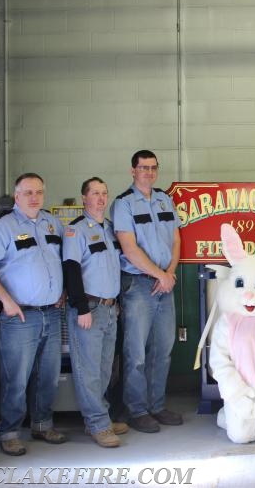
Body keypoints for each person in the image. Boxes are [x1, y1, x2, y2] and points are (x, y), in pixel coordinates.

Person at [0, 173, 66, 456]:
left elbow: (64, 260)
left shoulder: (52, 223)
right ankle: (10, 431)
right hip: (19, 318)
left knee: (48, 376)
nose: (34, 197)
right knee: (16, 378)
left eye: (39, 191)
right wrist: (5, 300)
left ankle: (41, 423)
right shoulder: (1, 228)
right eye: (27, 193)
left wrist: (62, 291)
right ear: (16, 196)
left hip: (51, 313)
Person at [111, 150, 182, 433]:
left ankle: (157, 406)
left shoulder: (165, 199)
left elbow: (176, 240)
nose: (149, 173)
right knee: (136, 353)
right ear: (133, 171)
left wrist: (169, 274)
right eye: (143, 168)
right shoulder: (123, 204)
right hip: (139, 285)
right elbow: (129, 248)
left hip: (166, 283)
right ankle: (136, 410)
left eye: (153, 168)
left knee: (163, 350)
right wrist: (159, 274)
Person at [62, 177, 128, 447]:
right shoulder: (76, 231)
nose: (101, 198)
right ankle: (99, 424)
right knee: (88, 369)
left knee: (103, 369)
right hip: (88, 308)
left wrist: (117, 302)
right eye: (95, 194)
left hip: (109, 308)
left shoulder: (111, 229)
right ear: (84, 199)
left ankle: (97, 420)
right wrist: (80, 307)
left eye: (104, 193)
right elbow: (71, 269)